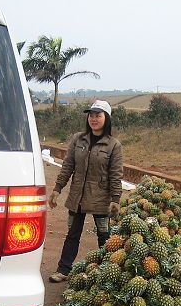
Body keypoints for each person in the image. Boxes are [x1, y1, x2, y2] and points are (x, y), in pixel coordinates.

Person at [48, 100, 124, 282]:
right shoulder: (78, 139)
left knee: (104, 236)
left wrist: (115, 199)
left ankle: (106, 273)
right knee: (72, 234)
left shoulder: (113, 145)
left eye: (98, 115)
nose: (94, 119)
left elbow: (116, 174)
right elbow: (68, 166)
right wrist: (57, 188)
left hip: (101, 198)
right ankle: (63, 269)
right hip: (78, 196)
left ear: (107, 118)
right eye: (91, 115)